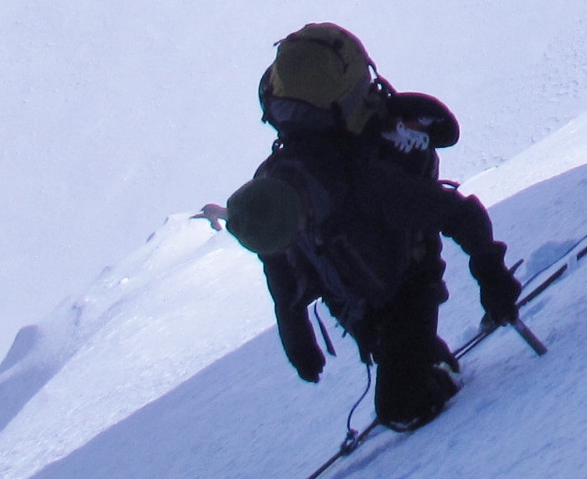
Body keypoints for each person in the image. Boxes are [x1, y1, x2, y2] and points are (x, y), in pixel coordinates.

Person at [222, 22, 526, 435]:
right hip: (360, 297)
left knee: (400, 408)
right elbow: (278, 274)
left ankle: (429, 372)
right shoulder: (270, 208)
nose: (284, 248)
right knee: (396, 358)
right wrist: (297, 338)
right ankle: (419, 359)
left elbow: (456, 213)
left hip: (406, 283)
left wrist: (492, 275)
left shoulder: (359, 184)